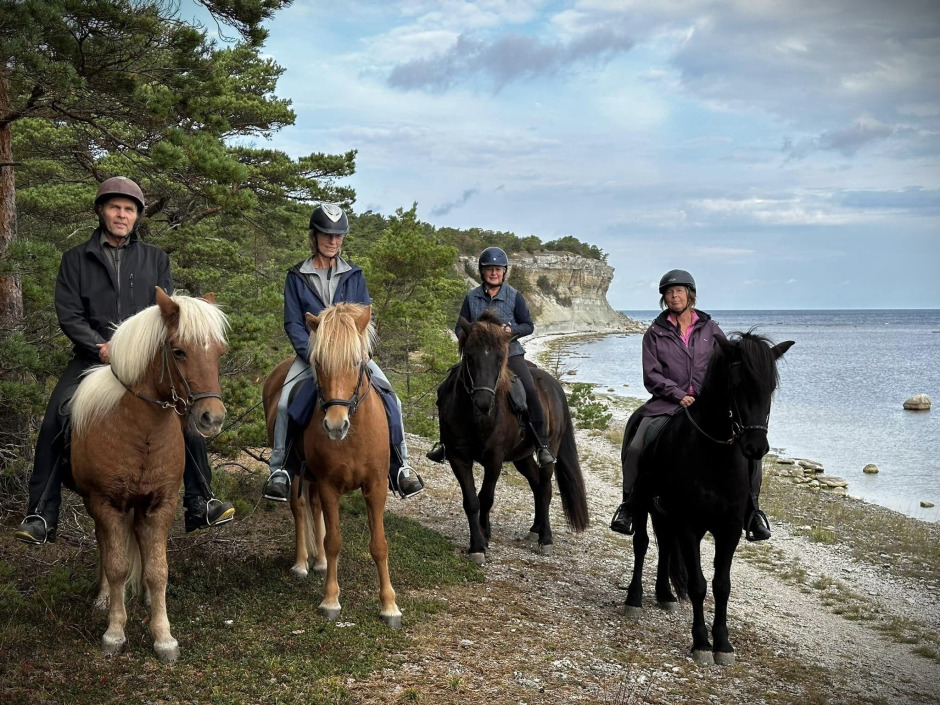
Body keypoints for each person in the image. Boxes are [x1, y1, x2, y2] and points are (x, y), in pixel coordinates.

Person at [14, 177, 235, 545]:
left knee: (185, 409)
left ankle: (201, 500)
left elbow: (167, 315)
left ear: (136, 217)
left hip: (145, 364)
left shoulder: (155, 259)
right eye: (115, 207)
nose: (121, 214)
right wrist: (100, 345)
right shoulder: (75, 260)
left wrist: (137, 350)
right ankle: (41, 512)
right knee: (58, 415)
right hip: (93, 358)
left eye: (129, 209)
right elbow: (69, 314)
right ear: (101, 211)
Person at [262, 203, 424, 502]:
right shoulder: (296, 276)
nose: (333, 241)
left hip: (351, 357)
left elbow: (364, 317)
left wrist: (361, 350)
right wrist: (314, 352)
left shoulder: (354, 274)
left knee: (392, 397)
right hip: (314, 356)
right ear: (315, 236)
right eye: (327, 234)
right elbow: (293, 322)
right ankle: (280, 470)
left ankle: (400, 466)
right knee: (285, 403)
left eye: (338, 236)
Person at [609, 269, 772, 541]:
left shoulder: (711, 329)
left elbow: (728, 364)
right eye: (669, 293)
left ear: (690, 295)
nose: (674, 296)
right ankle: (629, 504)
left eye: (679, 291)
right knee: (637, 445)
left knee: (749, 451)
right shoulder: (654, 333)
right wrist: (677, 393)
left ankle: (753, 510)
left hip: (707, 406)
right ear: (664, 299)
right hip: (666, 403)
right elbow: (651, 374)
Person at [426, 246, 555, 468]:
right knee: (445, 388)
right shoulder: (471, 296)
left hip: (509, 354)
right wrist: (465, 338)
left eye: (498, 269)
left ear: (504, 272)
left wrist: (510, 331)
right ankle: (445, 443)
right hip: (477, 357)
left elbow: (528, 326)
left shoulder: (514, 296)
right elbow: (460, 325)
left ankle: (542, 445)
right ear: (482, 271)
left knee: (530, 390)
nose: (493, 273)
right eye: (489, 269)